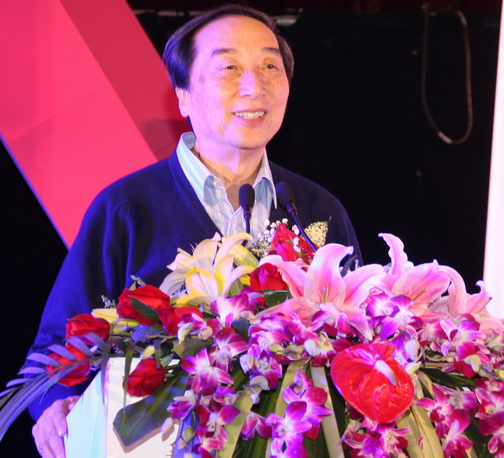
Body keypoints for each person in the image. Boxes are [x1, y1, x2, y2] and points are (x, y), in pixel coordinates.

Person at [29, 4, 362, 457]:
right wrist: (56, 404)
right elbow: (56, 348)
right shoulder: (127, 209)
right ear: (182, 96)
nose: (255, 85)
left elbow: (360, 339)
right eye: (229, 67)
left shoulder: (319, 210)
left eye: (270, 66)